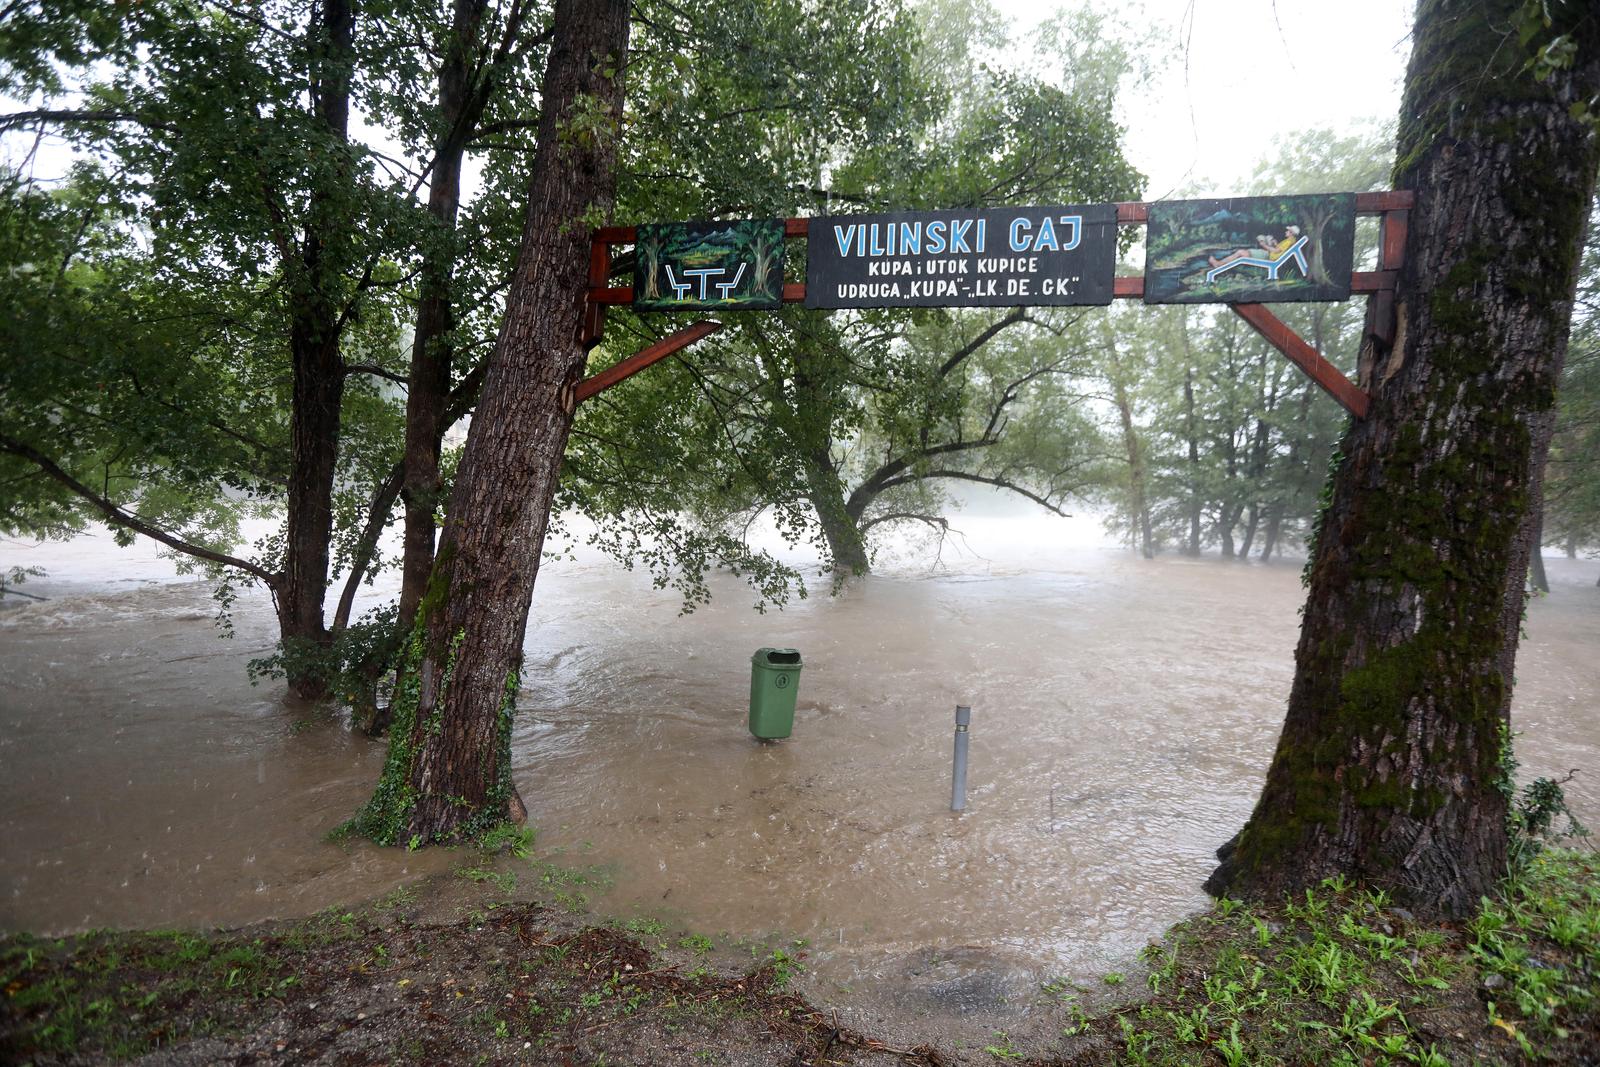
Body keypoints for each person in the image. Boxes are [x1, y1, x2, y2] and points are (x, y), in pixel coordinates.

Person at [1208, 225, 1300, 269]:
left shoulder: (1288, 241)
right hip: (1268, 255)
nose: (1286, 232)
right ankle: (1219, 263)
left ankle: (1219, 264)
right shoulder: (1290, 241)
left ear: (1291, 233)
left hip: (1268, 257)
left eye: (1288, 231)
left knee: (1241, 253)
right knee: (1242, 252)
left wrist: (1264, 245)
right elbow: (1279, 249)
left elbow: (1276, 251)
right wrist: (1275, 243)